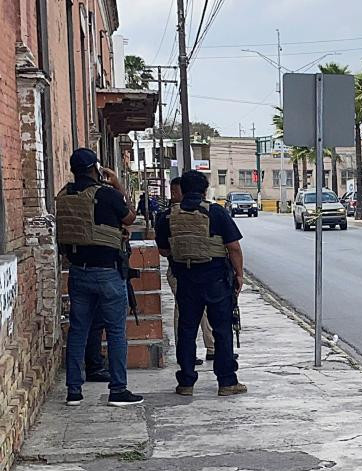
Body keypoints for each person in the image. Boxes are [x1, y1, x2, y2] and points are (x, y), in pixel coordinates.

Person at [57, 148, 144, 406]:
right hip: (107, 273)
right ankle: (118, 390)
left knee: (78, 331)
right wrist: (117, 184)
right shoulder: (106, 194)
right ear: (96, 168)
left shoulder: (63, 196)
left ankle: (74, 391)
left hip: (77, 272)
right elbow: (130, 217)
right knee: (116, 332)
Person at [155, 170, 246, 397]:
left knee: (186, 330)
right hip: (216, 280)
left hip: (186, 280)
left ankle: (186, 382)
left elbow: (164, 249)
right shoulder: (216, 212)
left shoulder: (167, 216)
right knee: (222, 330)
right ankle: (226, 382)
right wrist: (239, 275)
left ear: (181, 191)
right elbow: (233, 247)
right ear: (205, 191)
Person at [157, 177, 215, 365]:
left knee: (201, 309)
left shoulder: (168, 216)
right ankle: (187, 353)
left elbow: (163, 249)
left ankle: (211, 347)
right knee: (183, 312)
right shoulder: (169, 216)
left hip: (186, 269)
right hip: (181, 271)